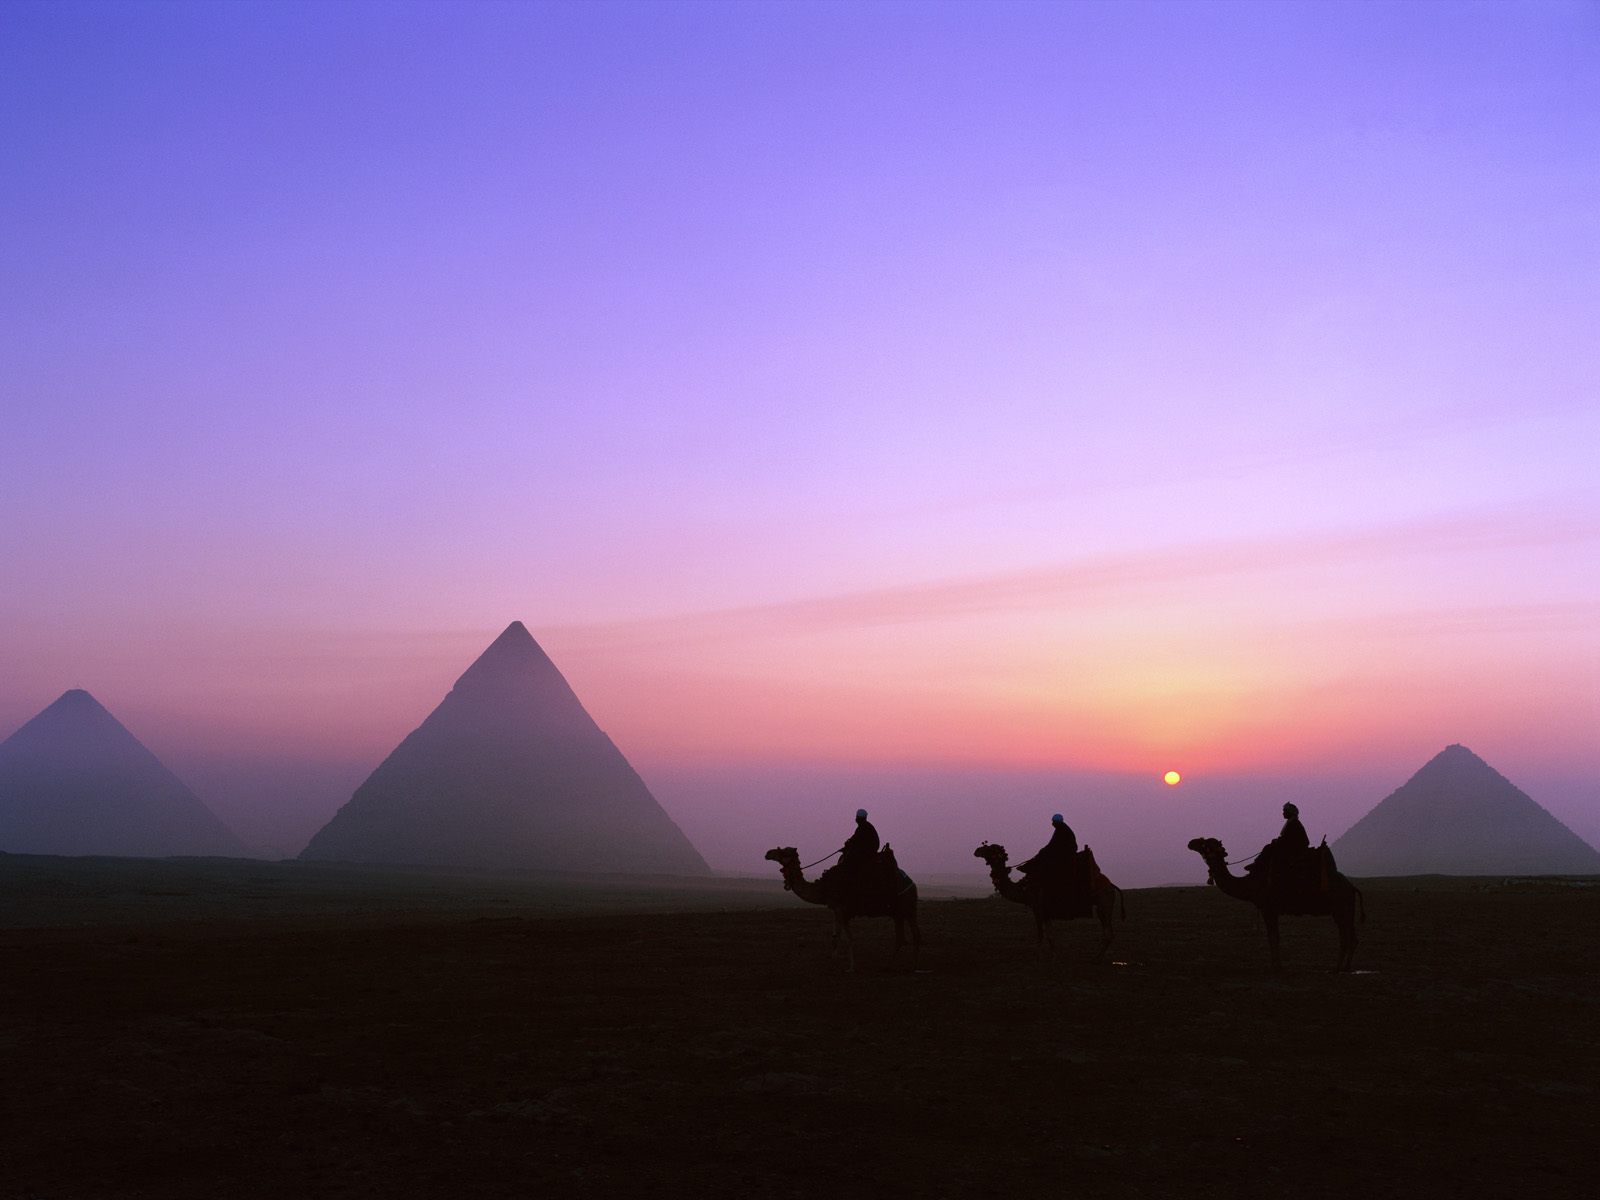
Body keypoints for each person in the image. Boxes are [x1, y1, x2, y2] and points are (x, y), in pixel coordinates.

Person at [1018, 813, 1078, 879]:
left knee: (1043, 856)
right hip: (1063, 851)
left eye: (1053, 822)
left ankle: (1030, 868)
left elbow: (1054, 844)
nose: (1052, 823)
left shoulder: (1062, 830)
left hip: (1064, 853)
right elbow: (1053, 844)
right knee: (1043, 853)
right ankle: (1029, 867)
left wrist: (1044, 850)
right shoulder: (1061, 829)